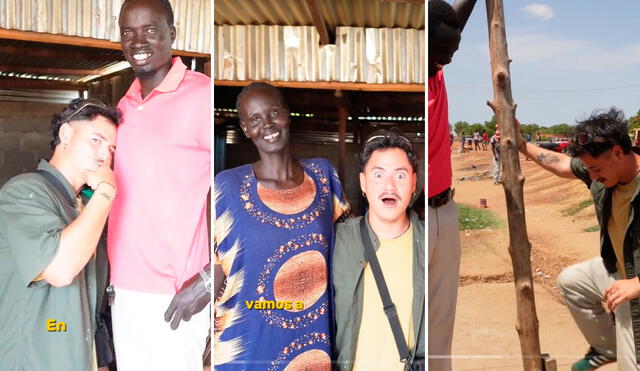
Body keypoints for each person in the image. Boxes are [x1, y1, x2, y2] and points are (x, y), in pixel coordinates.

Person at [213, 82, 350, 370]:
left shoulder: (324, 176)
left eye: (274, 112)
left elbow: (348, 251)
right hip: (245, 346)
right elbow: (216, 267)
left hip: (312, 346)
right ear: (245, 128)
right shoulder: (226, 187)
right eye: (255, 120)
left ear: (287, 114)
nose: (267, 125)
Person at [106, 1, 211, 370]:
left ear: (172, 35)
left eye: (150, 30)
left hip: (176, 293)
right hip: (124, 289)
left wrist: (211, 277)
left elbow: (229, 192)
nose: (138, 41)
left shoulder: (202, 94)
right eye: (128, 31)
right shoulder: (125, 102)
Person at [0, 98, 119, 371]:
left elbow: (90, 305)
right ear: (65, 134)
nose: (105, 155)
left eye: (111, 148)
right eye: (96, 140)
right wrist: (105, 191)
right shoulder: (24, 192)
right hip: (31, 359)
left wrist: (98, 360)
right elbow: (59, 270)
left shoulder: (83, 207)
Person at [517, 107, 640, 370]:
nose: (591, 177)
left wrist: (637, 284)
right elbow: (562, 165)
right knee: (572, 282)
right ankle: (608, 347)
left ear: (618, 152)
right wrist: (520, 144)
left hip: (636, 285)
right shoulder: (606, 171)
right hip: (622, 270)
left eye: (595, 169)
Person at [333, 128, 424, 371]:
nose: (389, 186)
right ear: (363, 182)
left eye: (400, 175)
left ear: (414, 181)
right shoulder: (335, 242)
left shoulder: (430, 244)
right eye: (378, 175)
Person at [428, 1, 476, 370]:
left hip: (446, 209)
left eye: (454, 50)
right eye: (443, 50)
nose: (449, 58)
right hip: (415, 216)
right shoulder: (413, 79)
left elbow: (452, 19)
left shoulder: (438, 65)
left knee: (443, 316)